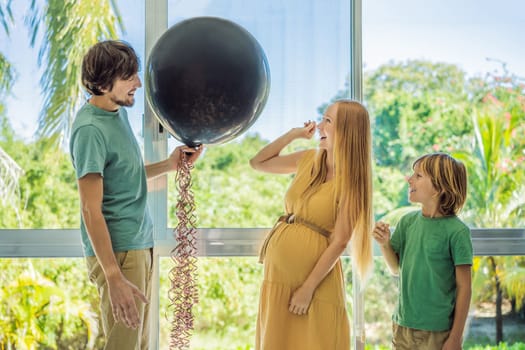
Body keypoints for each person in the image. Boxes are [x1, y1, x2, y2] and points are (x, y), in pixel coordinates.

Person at [69, 40, 202, 350]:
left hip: (139, 245)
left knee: (139, 344)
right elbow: (91, 209)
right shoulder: (90, 130)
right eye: (129, 77)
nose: (138, 84)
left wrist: (169, 165)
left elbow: (124, 177)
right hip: (120, 253)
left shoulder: (115, 113)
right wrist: (113, 276)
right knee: (123, 346)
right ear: (102, 83)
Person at [250, 99, 374, 349]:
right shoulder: (308, 159)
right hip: (279, 281)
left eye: (327, 121)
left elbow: (339, 241)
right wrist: (293, 134)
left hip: (315, 288)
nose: (319, 126)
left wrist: (307, 289)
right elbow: (258, 163)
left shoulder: (352, 182)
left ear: (347, 131)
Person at [373, 153, 472, 350]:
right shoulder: (407, 223)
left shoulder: (457, 231)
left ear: (439, 188)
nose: (409, 179)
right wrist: (385, 244)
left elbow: (465, 288)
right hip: (402, 327)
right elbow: (395, 268)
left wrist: (455, 338)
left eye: (418, 176)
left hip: (438, 333)